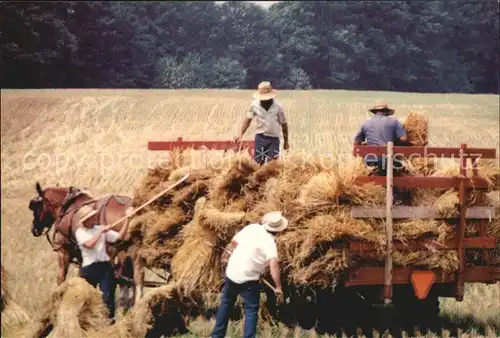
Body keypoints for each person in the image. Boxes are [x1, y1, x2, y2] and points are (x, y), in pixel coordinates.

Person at [211, 211, 288, 338]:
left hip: (232, 272)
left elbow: (234, 242)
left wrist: (244, 253)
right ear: (278, 231)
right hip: (249, 279)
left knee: (226, 303)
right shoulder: (270, 243)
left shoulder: (252, 228)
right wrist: (278, 286)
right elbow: (273, 265)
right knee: (251, 310)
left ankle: (216, 335)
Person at [74, 205, 132, 322]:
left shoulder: (99, 229)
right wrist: (100, 232)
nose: (95, 217)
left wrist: (127, 219)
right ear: (86, 220)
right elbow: (90, 244)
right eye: (92, 216)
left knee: (108, 296)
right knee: (87, 297)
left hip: (105, 267)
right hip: (89, 269)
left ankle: (109, 322)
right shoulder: (80, 232)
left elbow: (119, 238)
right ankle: (88, 323)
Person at [234, 81, 289, 165]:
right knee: (259, 163)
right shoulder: (254, 105)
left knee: (272, 164)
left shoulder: (278, 106)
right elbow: (247, 121)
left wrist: (286, 142)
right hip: (260, 138)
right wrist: (240, 134)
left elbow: (284, 124)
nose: (265, 100)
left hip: (273, 139)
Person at [354, 102, 408, 176]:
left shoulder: (366, 123)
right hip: (388, 160)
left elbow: (356, 142)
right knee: (403, 168)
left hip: (370, 160)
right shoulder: (394, 122)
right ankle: (395, 186)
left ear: (375, 112)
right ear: (386, 111)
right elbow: (403, 139)